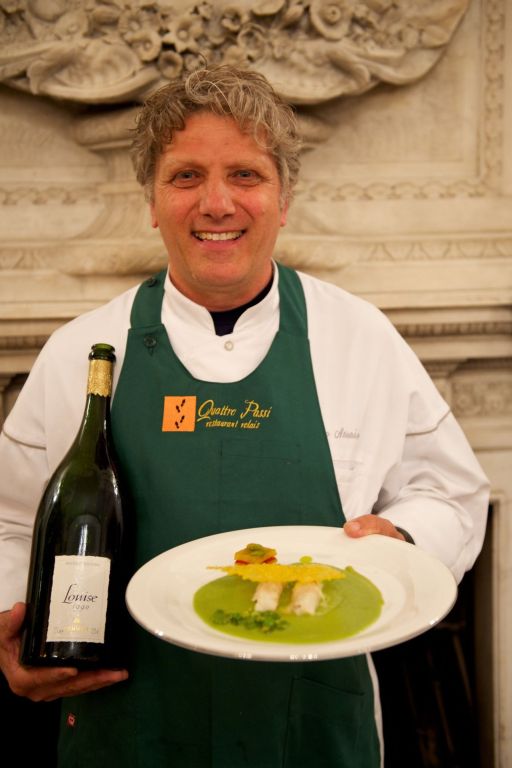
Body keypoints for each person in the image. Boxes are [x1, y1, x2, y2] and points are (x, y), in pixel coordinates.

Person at [0, 64, 489, 768]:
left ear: (284, 199)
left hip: (312, 725)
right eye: (186, 176)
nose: (217, 203)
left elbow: (452, 493)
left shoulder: (360, 338)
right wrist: (11, 626)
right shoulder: (83, 350)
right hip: (127, 726)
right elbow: (15, 521)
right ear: (152, 201)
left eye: (246, 175)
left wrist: (404, 536)